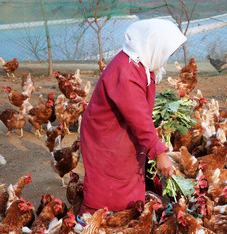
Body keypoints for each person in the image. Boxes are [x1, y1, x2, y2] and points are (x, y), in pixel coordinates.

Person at [78, 19, 186, 217]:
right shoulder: (127, 71)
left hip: (118, 130)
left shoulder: (139, 65)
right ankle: (90, 220)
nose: (167, 57)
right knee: (107, 181)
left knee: (126, 175)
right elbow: (139, 118)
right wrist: (159, 153)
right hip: (106, 133)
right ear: (154, 45)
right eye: (166, 52)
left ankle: (120, 216)